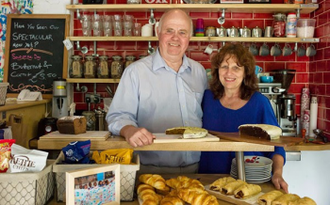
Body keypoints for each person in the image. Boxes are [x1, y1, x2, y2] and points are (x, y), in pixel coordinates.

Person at [106, 9, 208, 174]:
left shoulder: (199, 72)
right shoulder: (136, 72)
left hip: (194, 169)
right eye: (169, 31)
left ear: (189, 37)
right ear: (157, 32)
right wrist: (129, 130)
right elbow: (117, 116)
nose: (176, 38)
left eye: (182, 32)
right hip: (149, 170)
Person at [199, 43, 289, 193]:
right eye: (224, 66)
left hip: (250, 184)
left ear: (246, 72)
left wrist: (278, 174)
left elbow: (277, 146)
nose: (229, 73)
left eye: (236, 67)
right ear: (217, 70)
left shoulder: (259, 102)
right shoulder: (207, 99)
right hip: (210, 181)